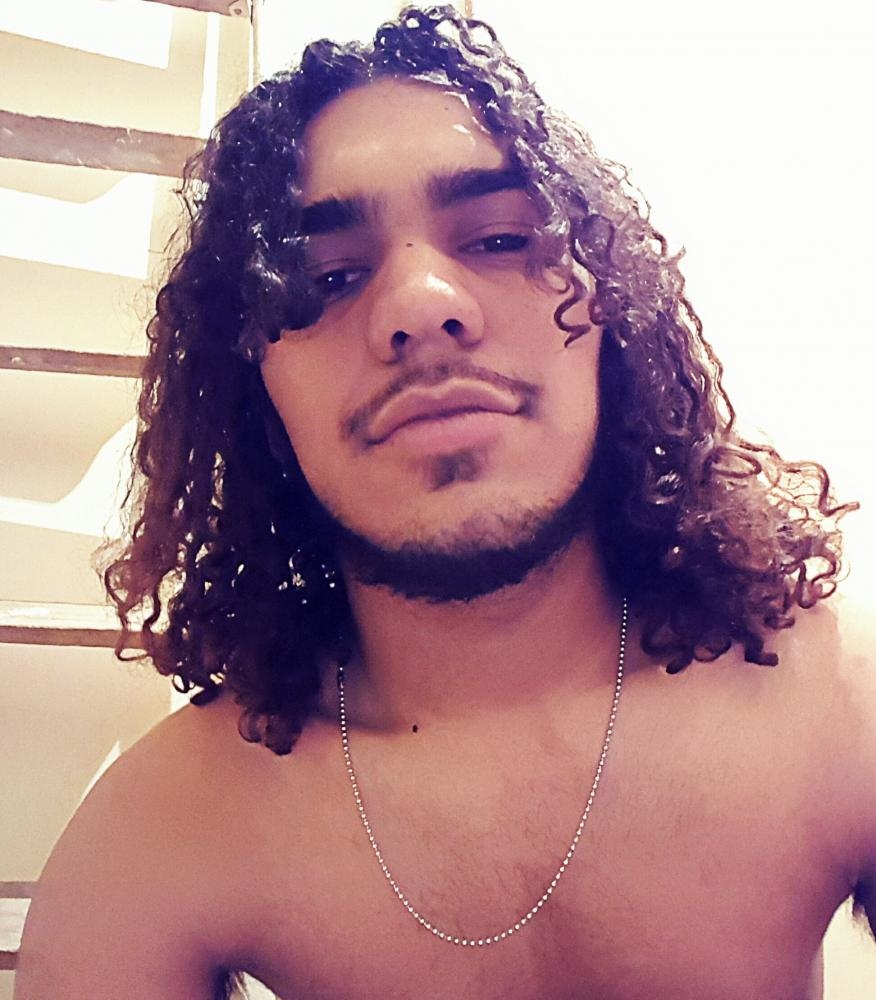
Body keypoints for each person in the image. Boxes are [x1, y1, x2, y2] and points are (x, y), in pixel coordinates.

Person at [15, 5, 874, 999]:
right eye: (327, 277)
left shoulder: (837, 701)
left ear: (610, 311)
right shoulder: (164, 834)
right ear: (257, 389)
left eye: (502, 236)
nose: (421, 303)